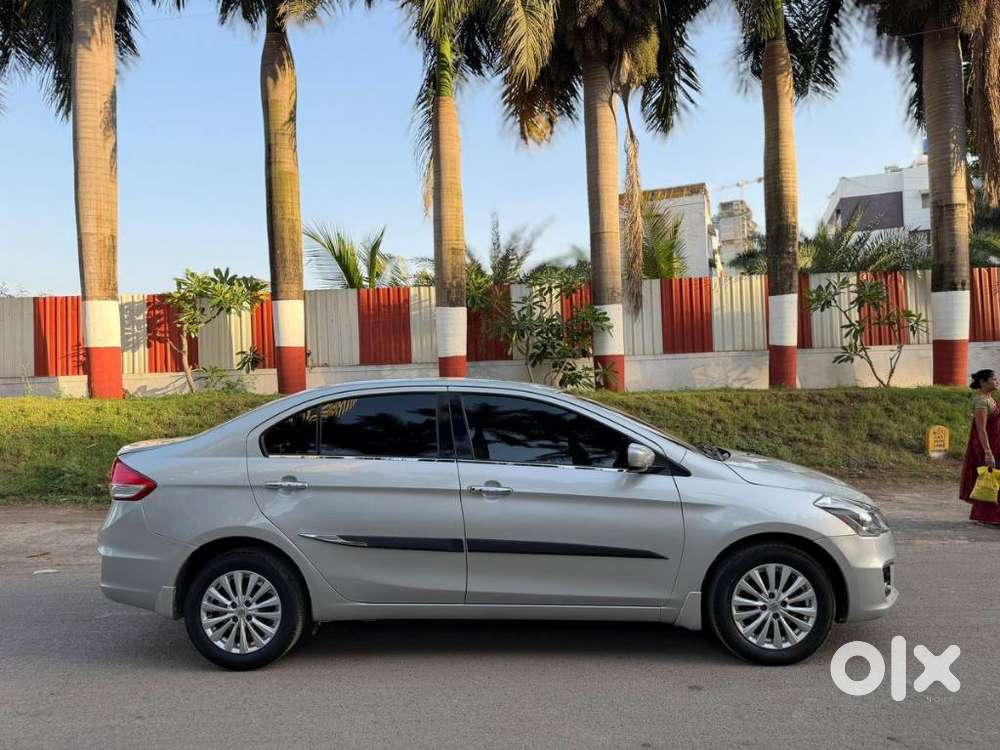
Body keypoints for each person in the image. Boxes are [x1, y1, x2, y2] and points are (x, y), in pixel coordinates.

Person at [959, 369, 1000, 525]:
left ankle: (986, 516)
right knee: (990, 479)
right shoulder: (981, 402)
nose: (997, 382)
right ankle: (989, 516)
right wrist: (988, 453)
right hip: (987, 447)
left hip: (996, 444)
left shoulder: (990, 399)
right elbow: (981, 429)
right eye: (994, 379)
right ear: (983, 382)